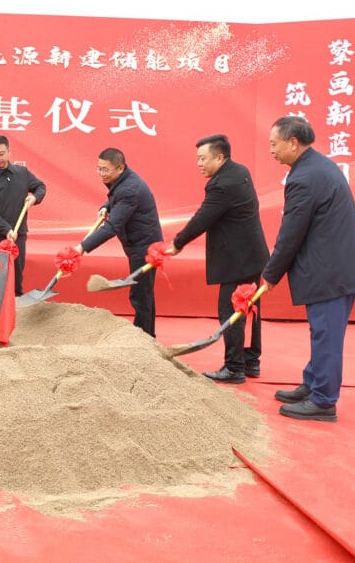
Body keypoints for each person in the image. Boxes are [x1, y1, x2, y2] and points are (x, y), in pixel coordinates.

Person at [262, 115, 355, 422]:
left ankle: (324, 401)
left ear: (293, 143)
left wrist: (270, 274)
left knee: (326, 334)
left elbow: (291, 233)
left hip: (331, 272)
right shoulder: (316, 166)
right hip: (337, 266)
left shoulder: (305, 177)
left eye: (274, 144)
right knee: (324, 332)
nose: (271, 150)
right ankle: (314, 384)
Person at [168, 134, 269, 384]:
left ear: (219, 157)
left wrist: (178, 243)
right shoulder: (239, 171)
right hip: (253, 254)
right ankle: (251, 360)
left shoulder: (222, 185)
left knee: (231, 309)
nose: (199, 164)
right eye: (197, 159)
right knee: (250, 307)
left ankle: (234, 367)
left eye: (203, 158)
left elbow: (203, 218)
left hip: (237, 259)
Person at [74, 147, 163, 337]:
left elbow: (112, 227)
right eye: (98, 168)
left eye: (105, 170)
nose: (101, 174)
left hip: (145, 247)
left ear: (120, 168)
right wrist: (106, 206)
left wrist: (83, 246)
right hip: (138, 243)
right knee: (143, 292)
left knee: (140, 294)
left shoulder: (129, 188)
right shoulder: (124, 181)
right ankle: (144, 335)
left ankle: (145, 338)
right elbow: (116, 199)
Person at [0, 135, 47, 296]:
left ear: (9, 152)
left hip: (19, 232)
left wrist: (35, 198)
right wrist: (6, 229)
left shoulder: (22, 173)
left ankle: (17, 306)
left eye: (1, 153)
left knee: (16, 272)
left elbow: (40, 186)